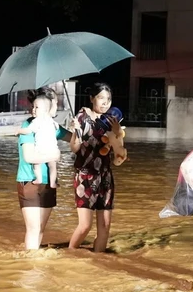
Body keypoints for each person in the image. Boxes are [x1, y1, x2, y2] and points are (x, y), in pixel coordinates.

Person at [67, 82, 127, 252]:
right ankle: (70, 254)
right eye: (101, 98)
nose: (105, 102)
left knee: (105, 226)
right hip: (85, 176)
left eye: (108, 99)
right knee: (85, 225)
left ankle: (98, 261)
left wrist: (116, 133)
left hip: (105, 178)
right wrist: (76, 131)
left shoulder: (112, 121)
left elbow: (119, 152)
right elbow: (75, 149)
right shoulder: (81, 118)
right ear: (92, 98)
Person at [16, 88, 70, 250]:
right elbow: (29, 157)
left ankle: (35, 267)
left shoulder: (53, 126)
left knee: (40, 229)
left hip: (48, 183)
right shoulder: (30, 125)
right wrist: (54, 156)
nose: (57, 105)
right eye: (55, 101)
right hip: (29, 181)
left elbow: (76, 141)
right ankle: (31, 267)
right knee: (33, 229)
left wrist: (79, 128)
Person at [16, 96, 59, 188]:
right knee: (53, 166)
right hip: (52, 149)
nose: (33, 110)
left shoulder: (36, 122)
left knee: (36, 164)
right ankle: (53, 183)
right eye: (33, 107)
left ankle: (38, 178)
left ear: (46, 110)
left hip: (41, 149)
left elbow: (28, 130)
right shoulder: (51, 121)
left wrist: (19, 131)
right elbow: (57, 127)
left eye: (37, 107)